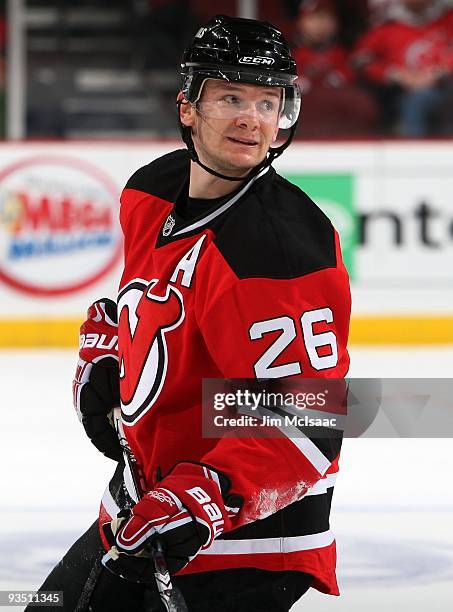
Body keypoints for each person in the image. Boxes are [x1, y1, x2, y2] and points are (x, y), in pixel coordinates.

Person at [30, 14, 351, 612]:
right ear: (188, 107)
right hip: (139, 506)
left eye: (267, 101)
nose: (251, 118)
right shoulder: (150, 191)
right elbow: (150, 303)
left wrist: (204, 494)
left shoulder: (279, 244)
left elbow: (311, 415)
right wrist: (110, 346)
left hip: (248, 543)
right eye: (231, 96)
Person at [354, 0, 453, 136]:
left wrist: (441, 71)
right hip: (400, 93)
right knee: (416, 101)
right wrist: (396, 75)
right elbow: (360, 60)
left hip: (445, 88)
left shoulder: (448, 19)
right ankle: (413, 150)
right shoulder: (388, 26)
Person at [293, 0, 378, 137]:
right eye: (314, 18)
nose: (320, 25)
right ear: (301, 22)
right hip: (300, 139)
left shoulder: (346, 57)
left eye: (326, 18)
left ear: (336, 23)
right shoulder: (287, 57)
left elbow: (365, 107)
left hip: (345, 139)